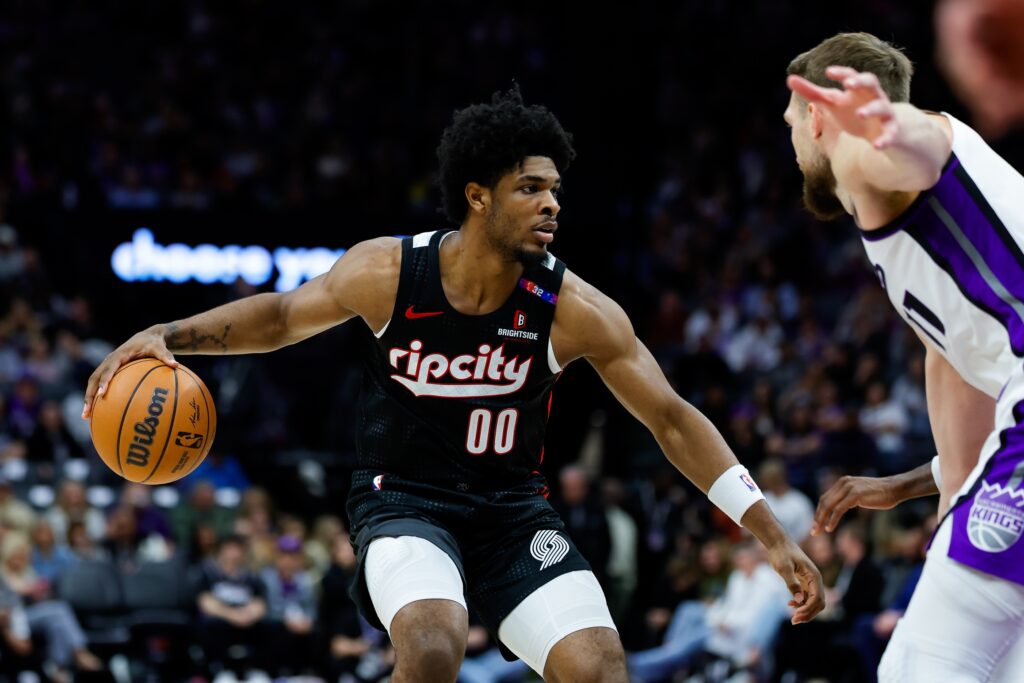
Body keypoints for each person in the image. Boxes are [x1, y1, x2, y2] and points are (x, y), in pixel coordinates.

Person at [84, 86, 822, 683]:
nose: (552, 204)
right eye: (530, 188)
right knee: (435, 647)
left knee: (601, 668)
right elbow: (279, 316)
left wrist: (770, 533)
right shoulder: (387, 273)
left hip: (510, 515)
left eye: (555, 189)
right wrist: (169, 334)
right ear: (477, 197)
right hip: (403, 502)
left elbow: (668, 417)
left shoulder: (572, 310)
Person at [783, 31, 1024, 680]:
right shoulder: (936, 252)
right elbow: (958, 386)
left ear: (815, 115)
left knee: (919, 668)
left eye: (790, 122)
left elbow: (919, 154)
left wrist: (891, 130)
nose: (791, 141)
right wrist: (931, 494)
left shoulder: (876, 155)